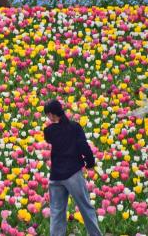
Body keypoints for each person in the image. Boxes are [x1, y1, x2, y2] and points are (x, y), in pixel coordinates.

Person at [43, 99, 102, 236]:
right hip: (73, 174)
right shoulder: (75, 127)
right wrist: (90, 163)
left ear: (51, 115)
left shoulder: (49, 131)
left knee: (57, 212)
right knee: (85, 208)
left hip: (56, 176)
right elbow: (83, 146)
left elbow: (52, 138)